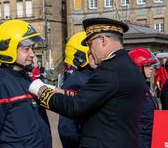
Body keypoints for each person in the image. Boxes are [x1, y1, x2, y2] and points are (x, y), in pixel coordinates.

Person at [29, 17, 146, 148]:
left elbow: (75, 106)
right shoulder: (128, 65)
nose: (89, 50)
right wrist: (62, 92)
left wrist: (42, 92)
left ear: (103, 40)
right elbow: (97, 99)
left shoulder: (109, 69)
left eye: (90, 44)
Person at [0, 20, 52, 148]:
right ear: (8, 49)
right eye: (26, 49)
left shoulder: (28, 81)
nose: (32, 54)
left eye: (32, 48)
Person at [57, 31, 96, 148]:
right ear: (81, 56)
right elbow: (67, 129)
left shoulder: (95, 77)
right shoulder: (75, 83)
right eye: (92, 53)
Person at [128, 48, 159, 148]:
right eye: (147, 65)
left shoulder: (144, 85)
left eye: (151, 65)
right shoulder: (132, 88)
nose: (151, 68)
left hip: (151, 137)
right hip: (139, 139)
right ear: (137, 67)